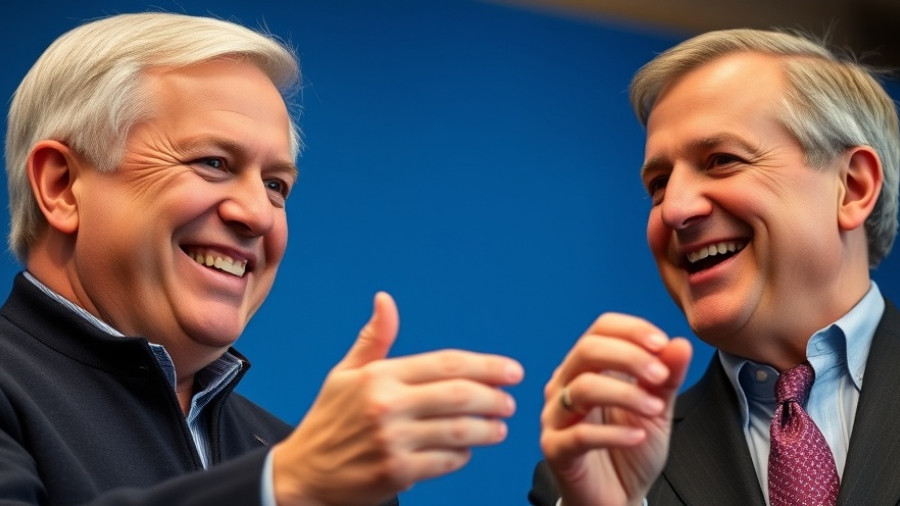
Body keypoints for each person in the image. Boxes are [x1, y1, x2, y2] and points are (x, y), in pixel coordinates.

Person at [0, 11, 524, 505]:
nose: (258, 215)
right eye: (213, 162)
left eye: (276, 185)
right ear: (62, 186)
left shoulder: (297, 460)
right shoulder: (299, 476)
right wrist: (285, 484)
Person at [529, 28, 900, 505]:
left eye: (722, 160)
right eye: (659, 184)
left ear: (852, 188)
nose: (674, 209)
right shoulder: (594, 474)